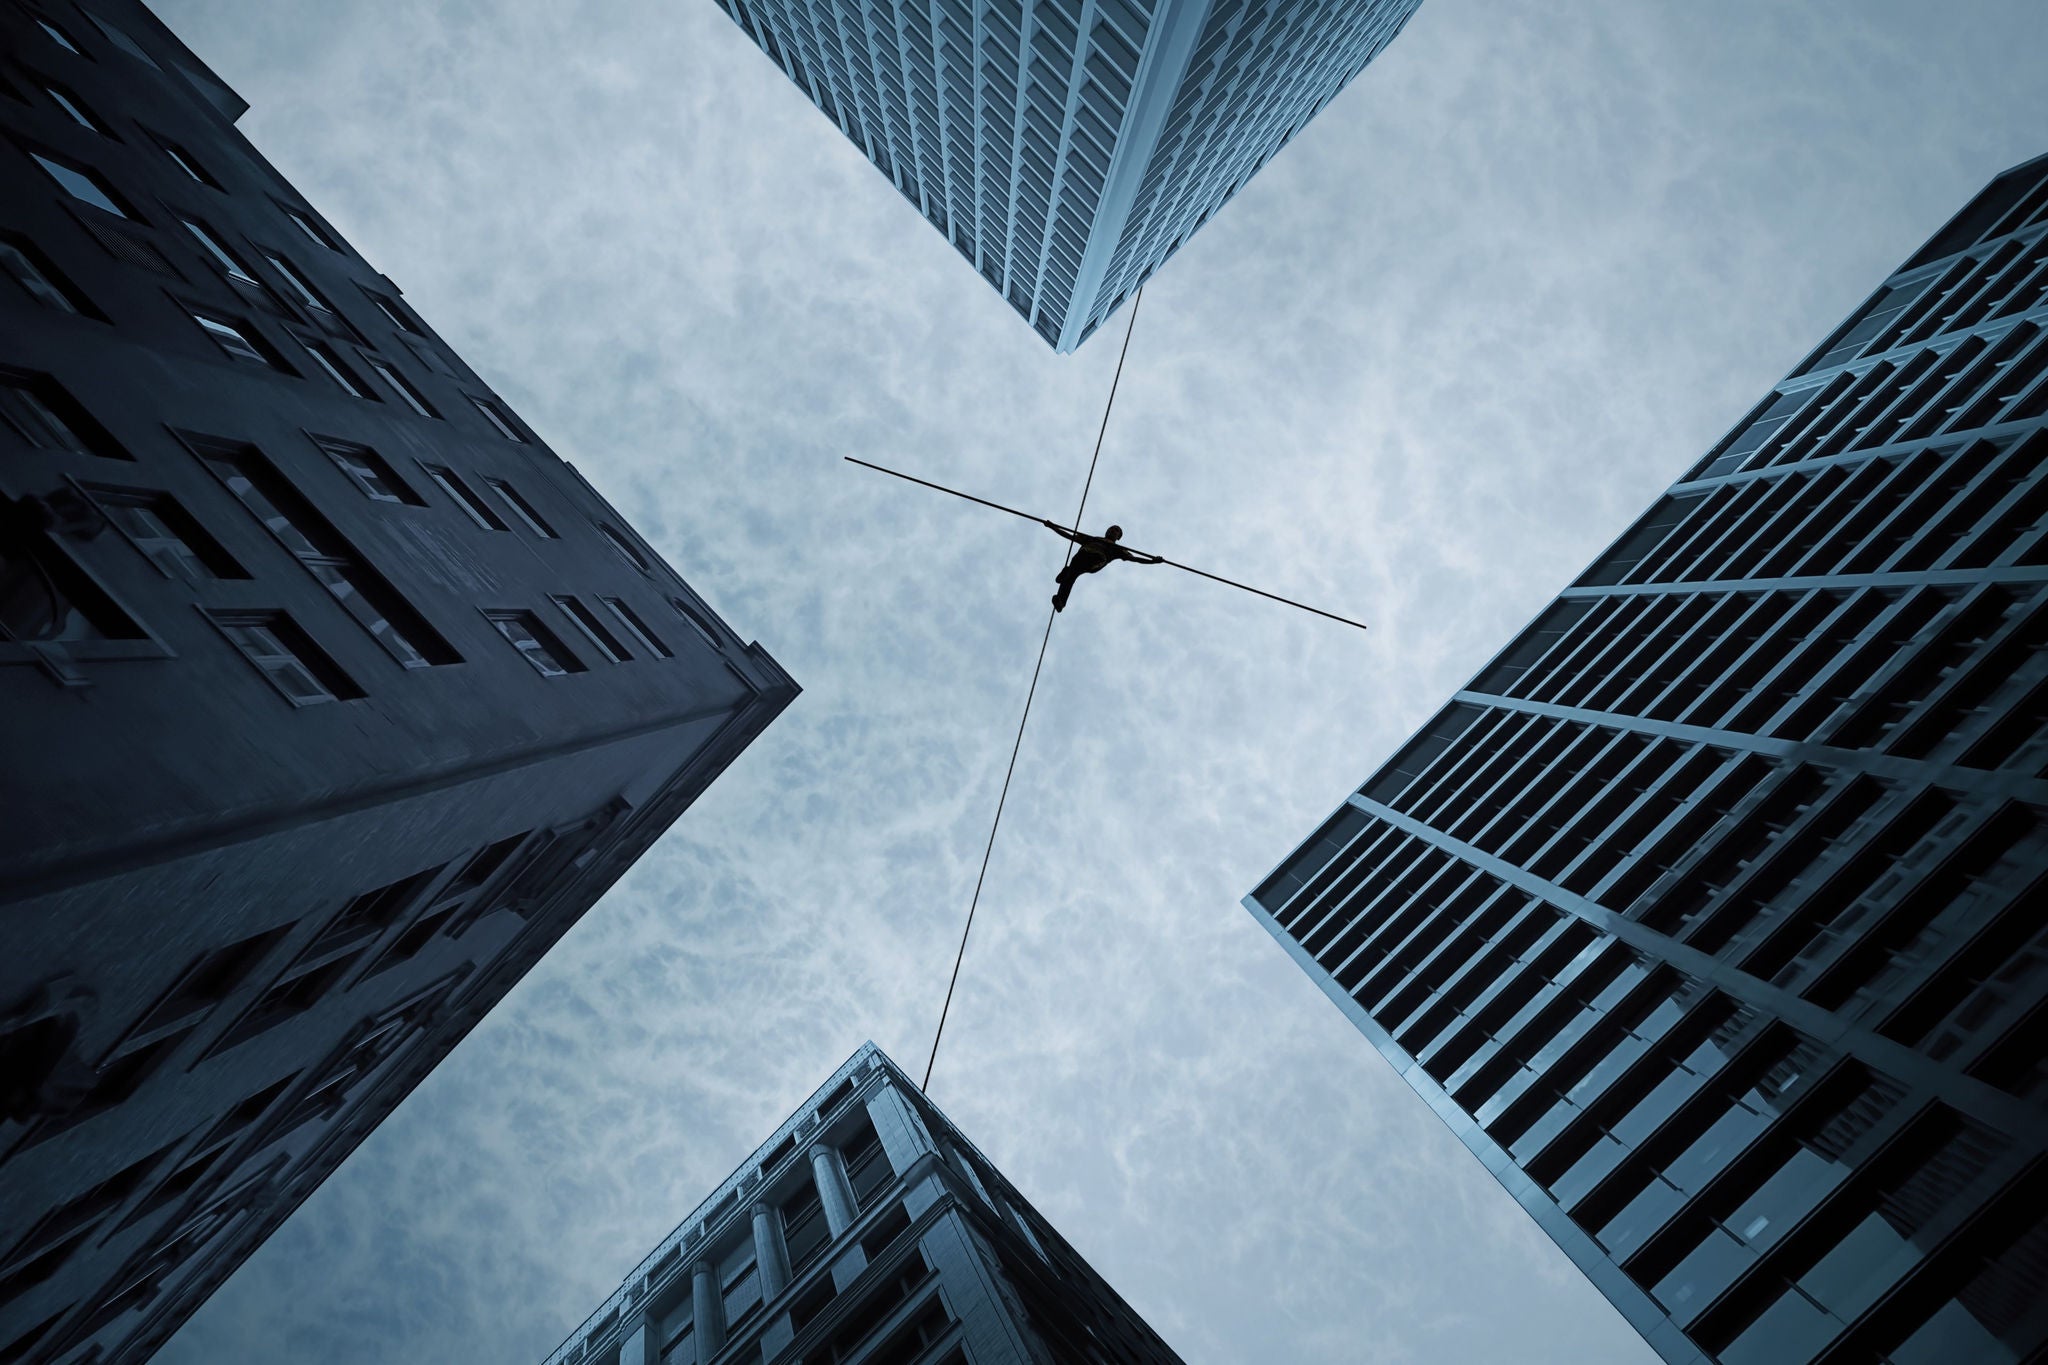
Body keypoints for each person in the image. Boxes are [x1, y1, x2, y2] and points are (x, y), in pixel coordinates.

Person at [1044, 520, 1162, 612]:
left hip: (1096, 561)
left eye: (1116, 530)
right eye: (1111, 529)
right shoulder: (1093, 539)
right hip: (1080, 557)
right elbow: (1069, 536)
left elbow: (1135, 559)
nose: (1112, 531)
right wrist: (1053, 526)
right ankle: (1061, 601)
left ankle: (1067, 571)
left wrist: (1152, 561)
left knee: (1073, 570)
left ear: (1118, 537)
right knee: (1070, 577)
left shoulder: (1119, 549)